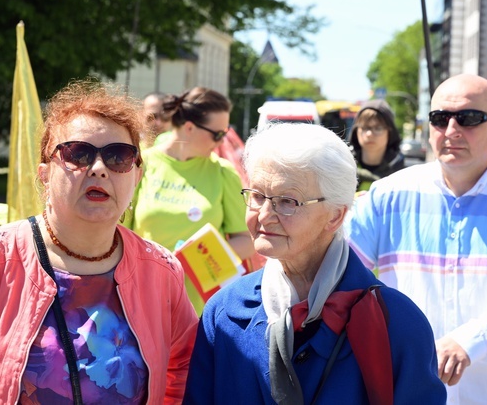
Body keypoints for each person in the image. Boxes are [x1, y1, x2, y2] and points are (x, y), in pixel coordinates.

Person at [0, 81, 198, 404]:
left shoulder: (161, 271)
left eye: (118, 156)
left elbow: (183, 373)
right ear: (44, 174)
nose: (99, 169)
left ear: (136, 176)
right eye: (78, 153)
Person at [184, 123, 446, 404]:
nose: (264, 215)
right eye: (258, 196)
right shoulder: (223, 313)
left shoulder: (397, 322)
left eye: (287, 201)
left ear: (335, 216)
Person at [346, 75, 487, 404]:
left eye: (469, 118)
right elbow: (340, 275)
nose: (451, 130)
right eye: (440, 118)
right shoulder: (387, 195)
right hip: (409, 392)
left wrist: (471, 342)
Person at [126, 87, 254, 315]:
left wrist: (196, 259)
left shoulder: (223, 172)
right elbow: (119, 232)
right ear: (188, 127)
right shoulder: (142, 163)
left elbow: (247, 240)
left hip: (200, 310)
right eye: (217, 134)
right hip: (142, 300)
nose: (222, 141)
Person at [348, 99, 405, 193]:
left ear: (390, 132)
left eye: (378, 128)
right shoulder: (343, 166)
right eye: (364, 127)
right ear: (356, 131)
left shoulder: (402, 174)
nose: (369, 134)